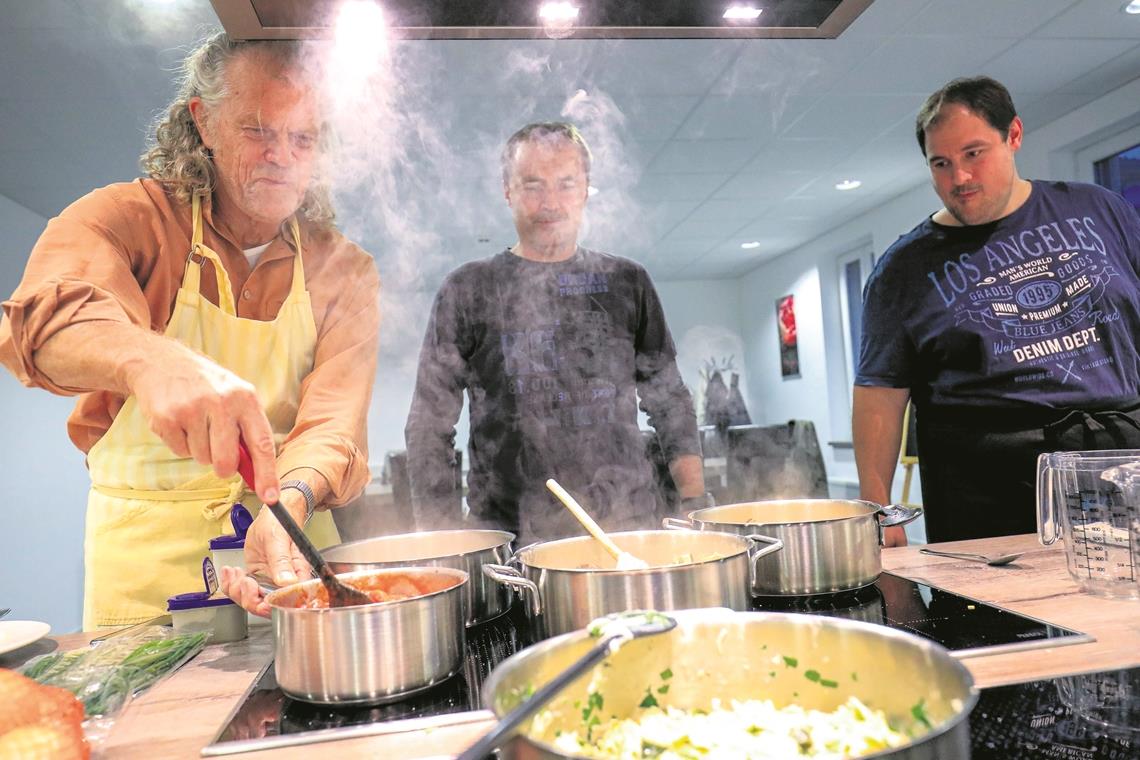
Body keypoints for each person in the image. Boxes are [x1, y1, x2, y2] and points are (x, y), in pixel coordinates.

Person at [0, 32, 380, 626]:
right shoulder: (128, 221)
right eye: (258, 130)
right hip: (145, 572)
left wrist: (292, 503)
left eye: (302, 137)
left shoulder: (344, 269)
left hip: (290, 552)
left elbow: (334, 423)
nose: (281, 154)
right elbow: (40, 323)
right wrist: (150, 361)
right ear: (204, 122)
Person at [853, 76, 1140, 546]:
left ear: (1014, 135)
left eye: (973, 153)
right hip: (985, 488)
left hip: (1120, 463)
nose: (959, 179)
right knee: (999, 619)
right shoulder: (902, 269)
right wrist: (878, 513)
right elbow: (880, 393)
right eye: (940, 163)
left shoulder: (1099, 210)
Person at [405, 122, 706, 546]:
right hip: (509, 542)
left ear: (586, 190)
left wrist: (695, 501)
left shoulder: (627, 282)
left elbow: (669, 399)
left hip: (629, 527)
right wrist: (441, 540)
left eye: (566, 184)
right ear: (506, 190)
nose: (550, 202)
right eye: (532, 185)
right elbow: (428, 425)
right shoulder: (468, 289)